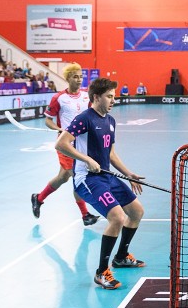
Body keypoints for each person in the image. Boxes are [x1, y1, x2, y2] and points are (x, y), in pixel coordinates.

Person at [55, 77, 147, 290]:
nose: (113, 100)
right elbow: (61, 143)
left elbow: (111, 154)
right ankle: (101, 272)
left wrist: (129, 174)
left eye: (114, 96)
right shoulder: (84, 118)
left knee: (136, 212)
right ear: (96, 97)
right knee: (117, 217)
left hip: (107, 176)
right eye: (109, 96)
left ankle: (121, 257)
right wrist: (86, 159)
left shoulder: (110, 120)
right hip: (87, 178)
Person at [31, 62, 99, 225]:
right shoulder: (59, 98)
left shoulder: (86, 96)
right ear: (68, 78)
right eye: (75, 77)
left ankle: (38, 198)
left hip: (82, 143)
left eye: (81, 76)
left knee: (63, 177)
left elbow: (92, 115)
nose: (79, 79)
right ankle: (85, 215)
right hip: (65, 144)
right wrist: (59, 129)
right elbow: (48, 120)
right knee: (76, 175)